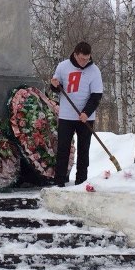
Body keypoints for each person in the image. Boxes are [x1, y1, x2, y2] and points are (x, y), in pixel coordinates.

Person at [50, 41, 103, 187]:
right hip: (67, 115)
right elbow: (56, 88)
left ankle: (81, 180)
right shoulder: (63, 66)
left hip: (85, 117)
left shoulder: (94, 71)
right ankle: (59, 181)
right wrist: (54, 85)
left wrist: (86, 112)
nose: (84, 62)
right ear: (75, 54)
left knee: (83, 150)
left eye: (87, 59)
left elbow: (97, 95)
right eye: (82, 59)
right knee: (63, 149)